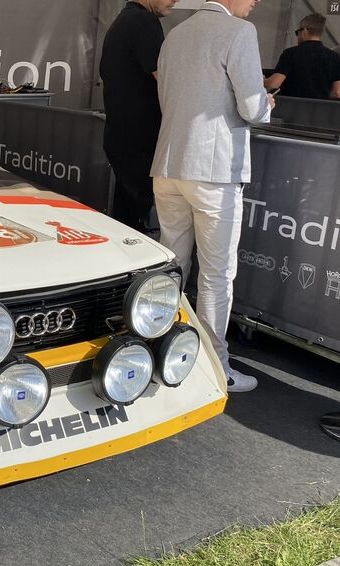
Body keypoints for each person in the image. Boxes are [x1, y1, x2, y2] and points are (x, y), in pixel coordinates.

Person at [151, 0, 274, 393]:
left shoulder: (176, 34)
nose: (256, 3)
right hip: (214, 171)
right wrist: (267, 103)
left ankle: (159, 349)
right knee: (217, 275)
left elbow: (166, 98)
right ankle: (214, 366)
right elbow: (252, 107)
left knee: (172, 266)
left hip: (169, 162)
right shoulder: (239, 33)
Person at [99, 0, 178, 233]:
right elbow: (165, 79)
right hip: (139, 140)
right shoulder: (144, 22)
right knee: (135, 225)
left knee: (125, 220)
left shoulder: (124, 20)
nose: (176, 0)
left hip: (123, 136)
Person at [264, 13, 340, 99]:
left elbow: (274, 83)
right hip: (321, 110)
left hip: (290, 108)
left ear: (305, 30)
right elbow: (337, 92)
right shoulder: (335, 57)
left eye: (297, 32)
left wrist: (258, 81)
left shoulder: (291, 53)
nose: (297, 36)